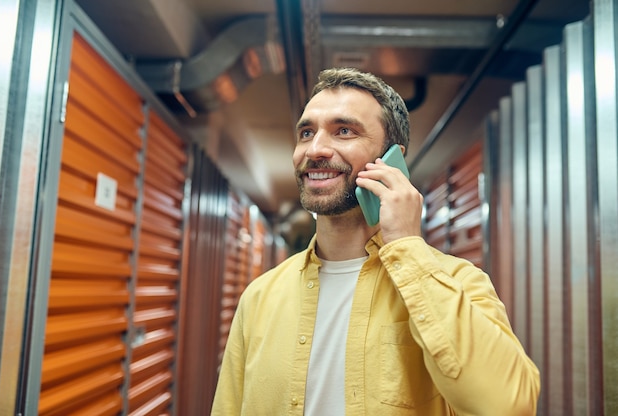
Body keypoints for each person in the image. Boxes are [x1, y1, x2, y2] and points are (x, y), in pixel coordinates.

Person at [211, 68, 540, 415]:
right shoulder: (260, 297)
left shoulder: (459, 282)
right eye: (306, 132)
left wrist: (407, 247)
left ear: (391, 159)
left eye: (344, 131)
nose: (316, 148)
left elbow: (509, 405)